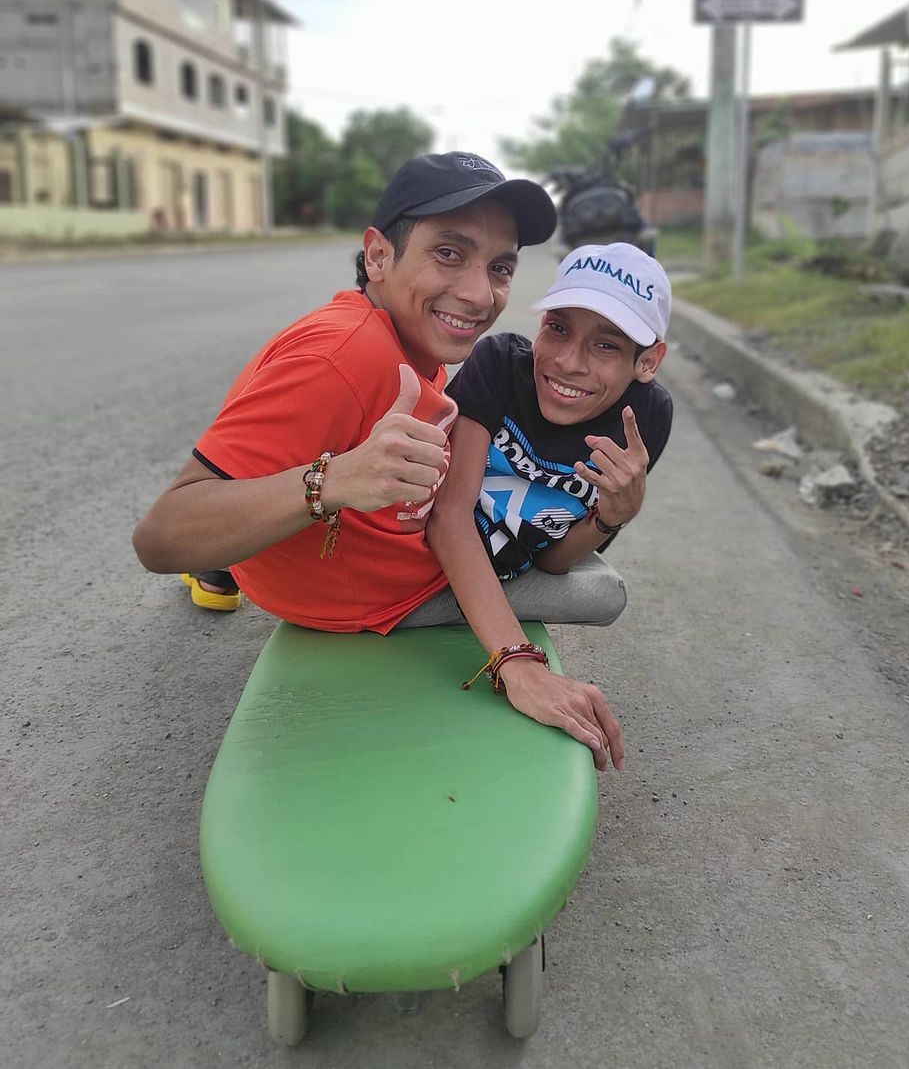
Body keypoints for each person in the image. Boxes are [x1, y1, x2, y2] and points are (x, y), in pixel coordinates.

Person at [132, 151, 624, 768]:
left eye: (500, 267)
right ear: (378, 255)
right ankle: (231, 563)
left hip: (336, 552)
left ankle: (230, 564)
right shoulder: (345, 355)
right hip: (377, 595)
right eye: (449, 252)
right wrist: (336, 481)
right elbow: (159, 538)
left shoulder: (404, 334)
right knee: (602, 590)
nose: (479, 293)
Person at [426, 243, 673, 766]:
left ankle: (461, 612)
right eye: (558, 328)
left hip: (508, 571)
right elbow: (448, 516)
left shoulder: (646, 416)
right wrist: (518, 661)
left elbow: (553, 559)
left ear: (648, 361)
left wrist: (613, 515)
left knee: (606, 596)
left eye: (606, 346)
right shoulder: (500, 365)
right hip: (423, 556)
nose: (567, 361)